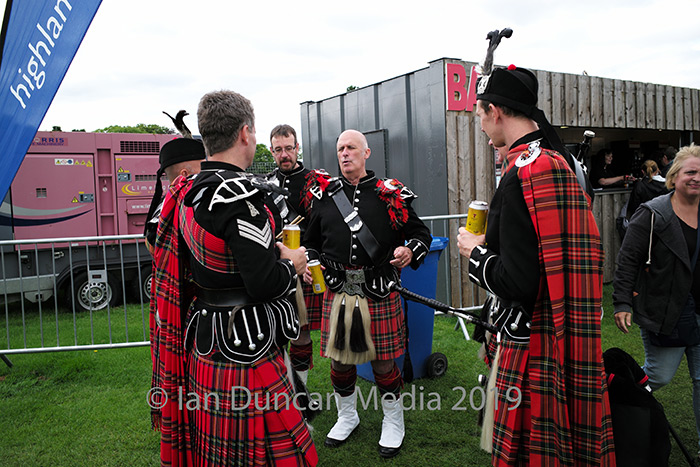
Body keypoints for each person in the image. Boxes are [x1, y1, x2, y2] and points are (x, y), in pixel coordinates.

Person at [456, 42, 616, 464]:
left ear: (496, 111)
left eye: (481, 117)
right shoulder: (554, 162)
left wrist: (474, 252)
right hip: (556, 331)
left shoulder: (521, 173)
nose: (483, 128)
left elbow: (519, 281)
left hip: (530, 343)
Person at [149, 90, 318, 466]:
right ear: (245, 133)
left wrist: (270, 253)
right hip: (247, 349)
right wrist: (292, 262)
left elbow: (219, 262)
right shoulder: (239, 197)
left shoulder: (186, 192)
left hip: (206, 344)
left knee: (218, 456)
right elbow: (263, 283)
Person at [304, 129, 431, 458]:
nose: (345, 154)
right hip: (338, 289)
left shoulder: (390, 194)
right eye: (340, 149)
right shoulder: (325, 196)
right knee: (340, 364)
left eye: (351, 148)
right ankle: (347, 416)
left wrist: (409, 250)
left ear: (367, 153)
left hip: (379, 289)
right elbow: (311, 242)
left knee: (384, 363)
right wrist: (310, 262)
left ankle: (393, 421)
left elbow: (420, 233)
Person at [613, 143, 700, 461]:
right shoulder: (654, 213)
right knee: (659, 376)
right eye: (691, 172)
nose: (697, 178)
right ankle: (612, 403)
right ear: (674, 176)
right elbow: (628, 260)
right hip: (667, 310)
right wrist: (622, 302)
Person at [265, 124, 324, 388]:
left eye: (289, 148)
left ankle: (301, 393)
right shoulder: (266, 184)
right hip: (275, 268)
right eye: (278, 150)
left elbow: (323, 228)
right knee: (276, 332)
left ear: (297, 148)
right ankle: (282, 390)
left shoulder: (315, 182)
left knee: (301, 333)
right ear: (271, 151)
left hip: (306, 267)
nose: (284, 155)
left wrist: (307, 260)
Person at [143, 137, 205, 251]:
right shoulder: (197, 201)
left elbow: (151, 246)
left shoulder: (164, 205)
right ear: (185, 174)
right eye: (203, 169)